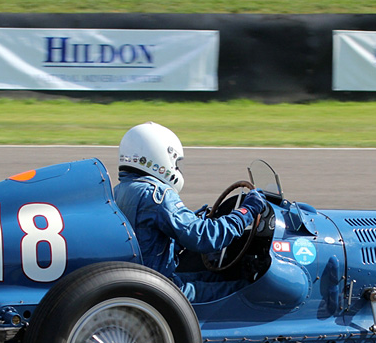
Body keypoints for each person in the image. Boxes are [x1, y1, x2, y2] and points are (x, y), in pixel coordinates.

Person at [113, 122, 266, 304]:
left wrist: (193, 221)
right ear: (159, 156)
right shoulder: (156, 195)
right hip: (160, 287)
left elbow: (149, 239)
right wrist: (246, 211)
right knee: (245, 288)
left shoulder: (120, 190)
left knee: (216, 277)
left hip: (145, 280)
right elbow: (204, 237)